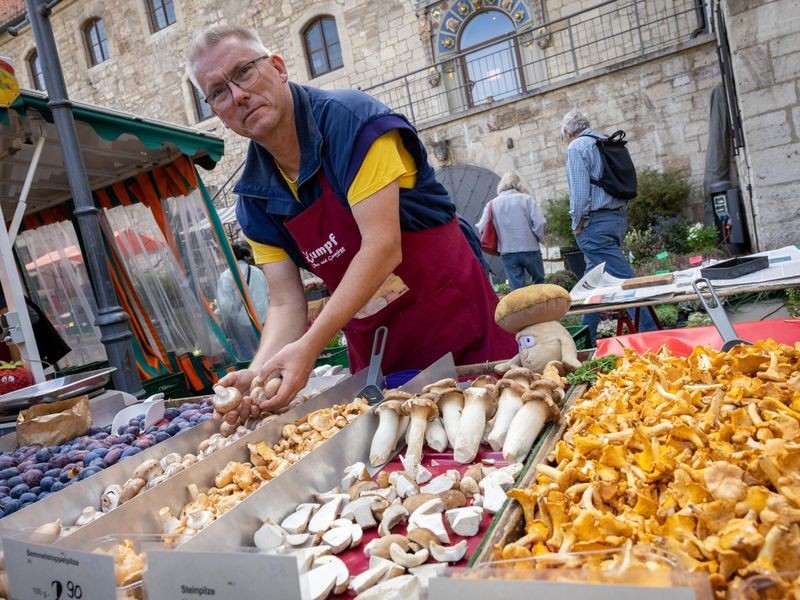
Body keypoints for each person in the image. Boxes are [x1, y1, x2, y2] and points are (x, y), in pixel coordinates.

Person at [186, 25, 516, 419]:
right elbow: (286, 301)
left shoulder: (353, 124)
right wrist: (259, 372)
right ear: (216, 113)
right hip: (378, 353)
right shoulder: (255, 199)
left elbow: (382, 247)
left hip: (454, 326)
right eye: (219, 92)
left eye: (244, 72)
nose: (239, 95)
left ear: (278, 67)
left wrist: (310, 346)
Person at [560, 109, 657, 345]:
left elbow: (580, 193)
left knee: (625, 280)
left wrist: (577, 224)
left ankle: (653, 332)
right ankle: (585, 336)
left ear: (566, 132)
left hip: (595, 223)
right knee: (594, 279)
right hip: (616, 218)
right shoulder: (602, 141)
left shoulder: (576, 147)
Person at [476, 172, 547, 290]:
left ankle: (521, 309)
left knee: (516, 290)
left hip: (508, 251)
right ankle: (544, 308)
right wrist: (539, 238)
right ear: (518, 184)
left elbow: (481, 227)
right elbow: (539, 223)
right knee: (540, 284)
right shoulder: (527, 199)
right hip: (530, 249)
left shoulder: (492, 204)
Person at [216, 241, 270, 360]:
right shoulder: (257, 271)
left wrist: (214, 314)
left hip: (245, 321)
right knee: (268, 350)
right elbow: (268, 293)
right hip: (265, 318)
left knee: (250, 356)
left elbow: (226, 305)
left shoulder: (227, 275)